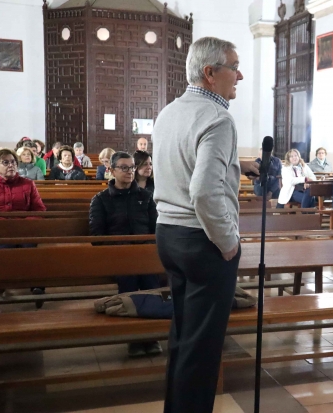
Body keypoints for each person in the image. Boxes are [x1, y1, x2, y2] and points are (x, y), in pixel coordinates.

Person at [152, 36, 259, 413]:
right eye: (234, 66)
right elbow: (203, 191)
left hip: (168, 233)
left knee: (184, 338)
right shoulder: (218, 118)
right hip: (202, 241)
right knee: (203, 350)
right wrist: (228, 242)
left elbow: (180, 169)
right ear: (210, 73)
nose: (240, 75)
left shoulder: (168, 112)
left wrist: (236, 166)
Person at [89, 151, 161, 357]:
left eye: (131, 167)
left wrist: (147, 250)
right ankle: (133, 338)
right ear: (111, 170)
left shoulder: (145, 197)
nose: (129, 171)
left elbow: (156, 228)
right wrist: (118, 253)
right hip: (118, 256)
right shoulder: (101, 200)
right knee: (128, 288)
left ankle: (151, 336)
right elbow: (97, 235)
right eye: (124, 167)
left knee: (152, 287)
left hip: (145, 254)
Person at [0, 148, 45, 212]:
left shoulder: (28, 184)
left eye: (13, 162)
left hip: (23, 222)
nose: (11, 165)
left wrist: (26, 222)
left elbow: (39, 209)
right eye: (5, 162)